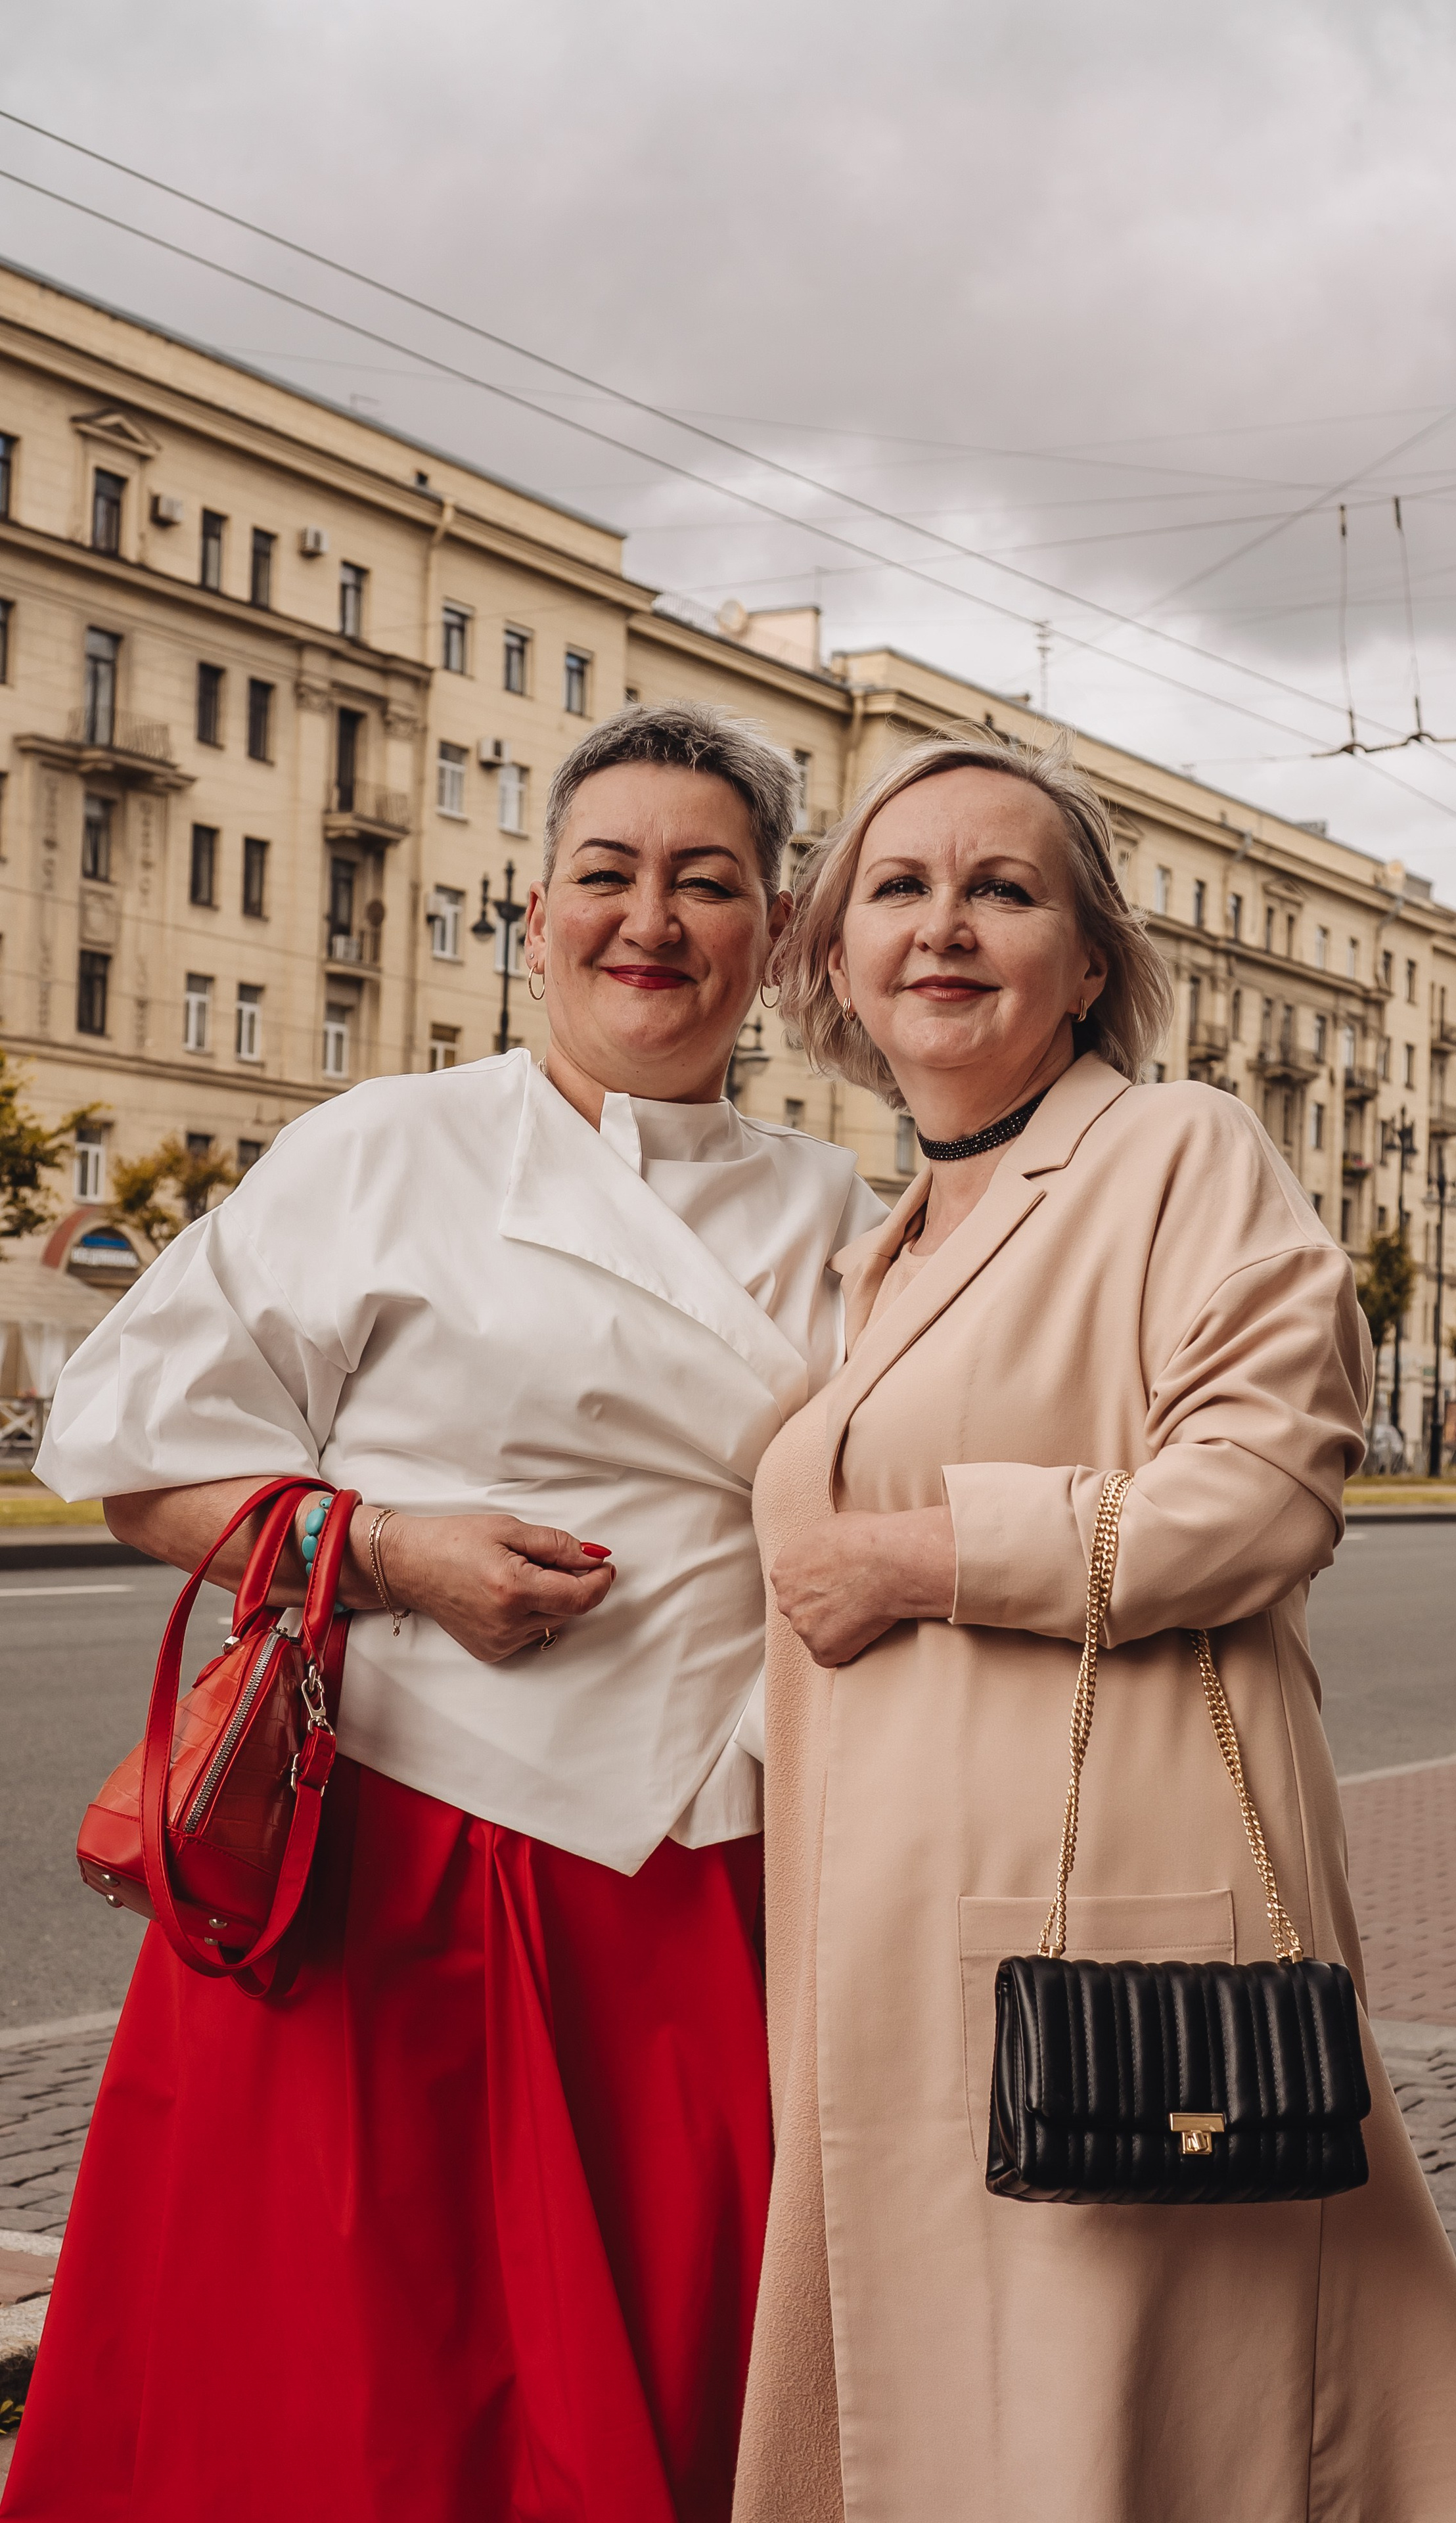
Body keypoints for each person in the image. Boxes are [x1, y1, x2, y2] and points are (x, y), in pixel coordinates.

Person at [5, 704, 884, 2523]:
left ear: (775, 930)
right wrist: (392, 1552)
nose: (651, 918)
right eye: (608, 874)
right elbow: (133, 1452)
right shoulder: (386, 1147)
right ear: (535, 910)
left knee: (686, 2379)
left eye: (707, 881)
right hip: (395, 1859)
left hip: (706, 1880)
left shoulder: (846, 1213)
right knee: (353, 2400)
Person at [731, 731, 1456, 2523]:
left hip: (1101, 1926)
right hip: (897, 1945)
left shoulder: (1178, 1147)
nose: (946, 926)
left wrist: (922, 1561)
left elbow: (1257, 1494)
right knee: (977, 2407)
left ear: (1090, 962)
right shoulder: (895, 1234)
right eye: (900, 888)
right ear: (840, 955)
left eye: (1003, 891)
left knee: (1132, 2414)